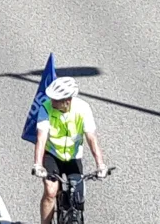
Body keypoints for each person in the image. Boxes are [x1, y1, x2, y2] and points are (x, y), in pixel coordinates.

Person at [32, 77, 108, 224]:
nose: (52, 101)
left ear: (67, 100)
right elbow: (41, 138)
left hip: (73, 157)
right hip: (52, 154)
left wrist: (100, 165)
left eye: (56, 99)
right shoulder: (46, 108)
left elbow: (92, 139)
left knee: (78, 197)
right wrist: (38, 165)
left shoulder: (83, 109)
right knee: (51, 191)